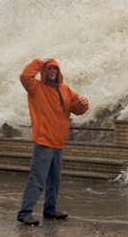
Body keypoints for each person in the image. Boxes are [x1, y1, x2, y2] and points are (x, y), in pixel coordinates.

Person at [17, 58, 89, 225]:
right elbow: (24, 76)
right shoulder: (36, 88)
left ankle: (50, 210)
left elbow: (77, 109)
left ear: (58, 72)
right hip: (43, 141)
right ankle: (25, 212)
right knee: (38, 179)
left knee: (54, 180)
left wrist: (83, 104)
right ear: (44, 71)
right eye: (49, 69)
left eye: (54, 69)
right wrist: (39, 62)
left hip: (58, 143)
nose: (52, 72)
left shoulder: (65, 89)